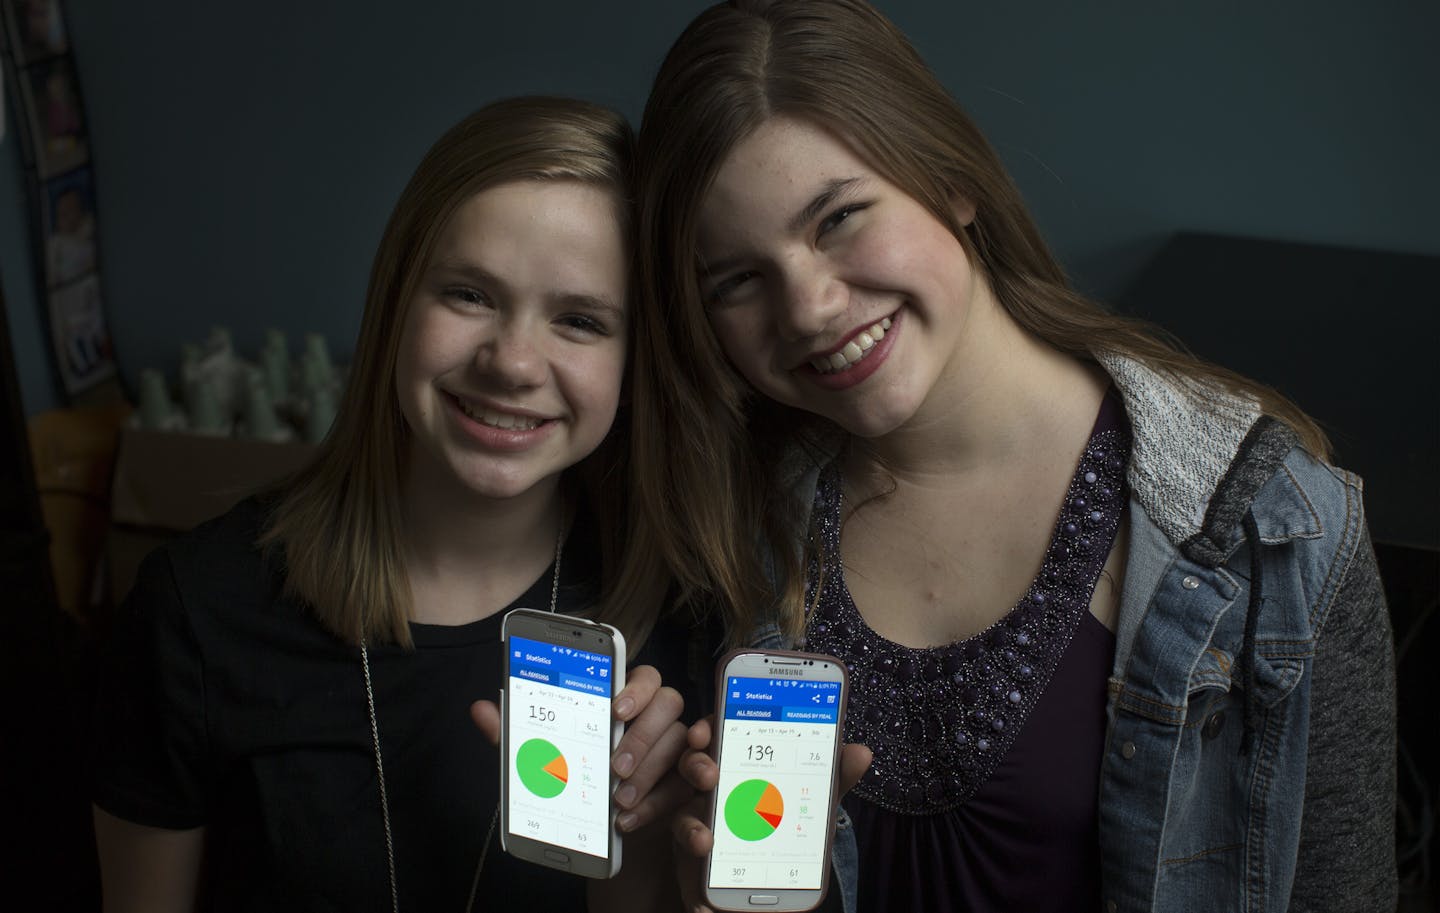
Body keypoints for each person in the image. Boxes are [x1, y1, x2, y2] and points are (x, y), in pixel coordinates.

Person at [626, 2, 1398, 911]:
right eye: (739, 279)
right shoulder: (722, 523)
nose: (808, 307)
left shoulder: (1275, 528)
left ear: (952, 179)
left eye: (838, 218)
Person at [92, 96, 686, 913]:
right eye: (469, 294)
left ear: (638, 362)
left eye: (580, 319)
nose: (513, 361)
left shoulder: (677, 627)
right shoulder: (196, 612)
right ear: (396, 301)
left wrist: (642, 841)